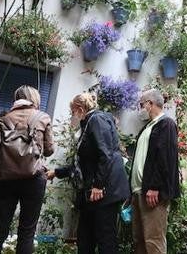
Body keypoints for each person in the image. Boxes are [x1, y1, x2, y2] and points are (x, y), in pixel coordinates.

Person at [50, 92, 130, 254]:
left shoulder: (97, 120)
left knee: (105, 238)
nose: (72, 116)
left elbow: (105, 154)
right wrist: (57, 172)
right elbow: (85, 163)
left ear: (80, 109)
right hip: (94, 192)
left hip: (105, 191)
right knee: (85, 237)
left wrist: (98, 186)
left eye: (72, 112)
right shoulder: (89, 124)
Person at [0, 85, 53, 254]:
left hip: (6, 180)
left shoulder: (5, 119)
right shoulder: (42, 118)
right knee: (27, 231)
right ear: (34, 99)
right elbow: (50, 150)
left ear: (17, 98)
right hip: (33, 179)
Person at [130, 89, 181, 254]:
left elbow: (165, 158)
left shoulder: (166, 124)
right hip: (139, 192)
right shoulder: (147, 128)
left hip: (152, 192)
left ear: (150, 104)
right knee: (140, 241)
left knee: (154, 242)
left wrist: (155, 187)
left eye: (141, 105)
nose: (140, 109)